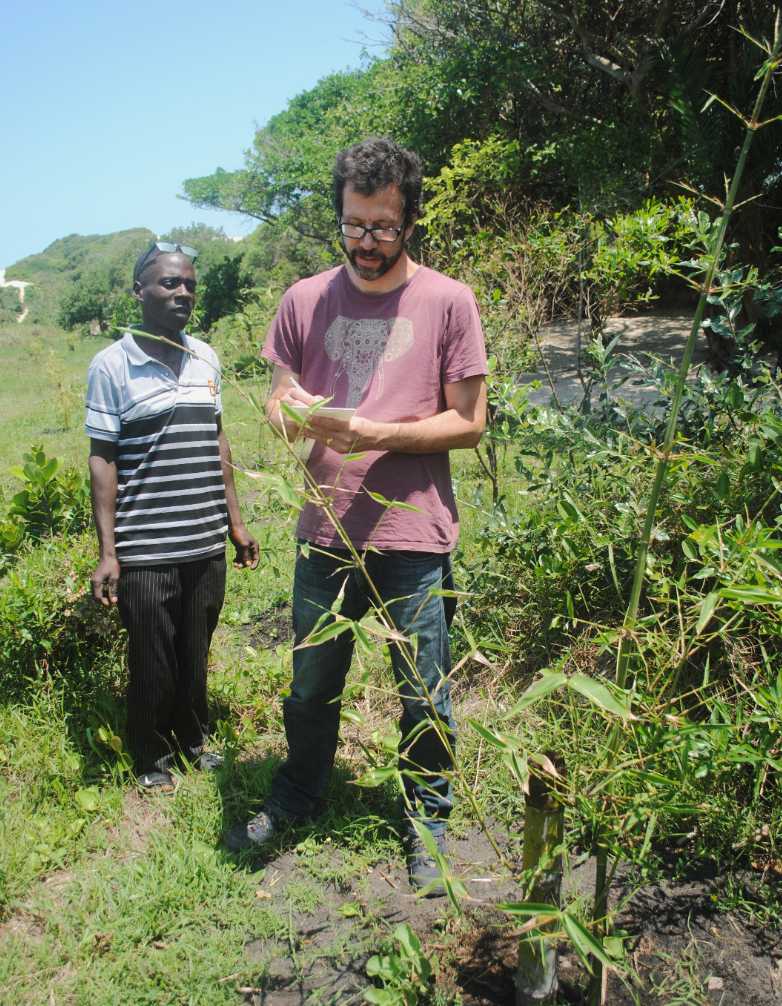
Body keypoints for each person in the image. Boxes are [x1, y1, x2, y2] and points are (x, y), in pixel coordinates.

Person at [227, 138, 487, 894]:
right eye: (354, 225)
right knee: (311, 682)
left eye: (383, 227)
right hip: (323, 530)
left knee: (422, 687)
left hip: (413, 530)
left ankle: (427, 819)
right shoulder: (304, 300)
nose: (367, 243)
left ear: (410, 223)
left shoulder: (449, 300)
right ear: (337, 218)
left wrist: (379, 433)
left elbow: (470, 422)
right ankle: (299, 792)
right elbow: (277, 406)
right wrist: (294, 415)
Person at [85, 241, 259, 792]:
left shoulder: (206, 356)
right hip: (147, 546)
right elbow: (103, 459)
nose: (181, 292)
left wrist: (235, 522)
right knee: (152, 657)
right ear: (139, 291)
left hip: (205, 539)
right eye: (167, 283)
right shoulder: (112, 366)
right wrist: (109, 552)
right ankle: (150, 757)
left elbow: (217, 439)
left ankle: (192, 738)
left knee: (195, 648)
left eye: (188, 284)